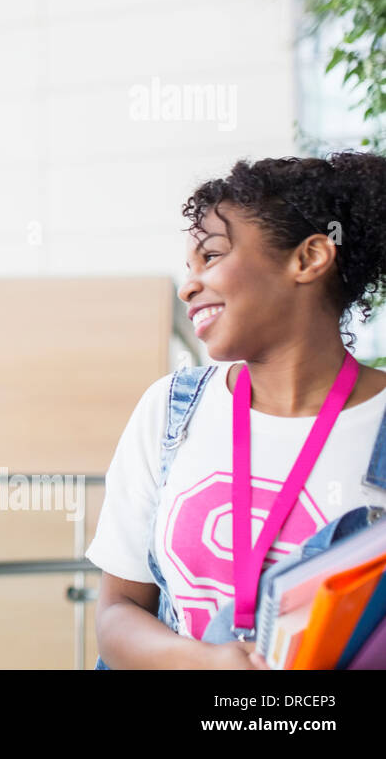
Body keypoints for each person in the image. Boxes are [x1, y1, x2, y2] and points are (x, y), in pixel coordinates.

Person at [87, 152, 386, 668]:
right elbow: (117, 612)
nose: (187, 286)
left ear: (309, 257)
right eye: (189, 267)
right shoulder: (170, 411)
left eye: (212, 257)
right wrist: (203, 662)